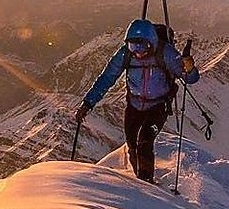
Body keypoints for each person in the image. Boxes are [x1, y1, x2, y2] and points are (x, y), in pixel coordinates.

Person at [74, 18, 199, 182]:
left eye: (142, 46)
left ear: (152, 43)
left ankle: (145, 184)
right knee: (132, 144)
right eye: (133, 46)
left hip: (158, 106)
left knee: (145, 140)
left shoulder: (166, 53)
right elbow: (106, 79)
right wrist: (87, 104)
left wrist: (189, 68)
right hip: (134, 106)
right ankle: (138, 180)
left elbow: (190, 79)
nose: (138, 51)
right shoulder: (125, 54)